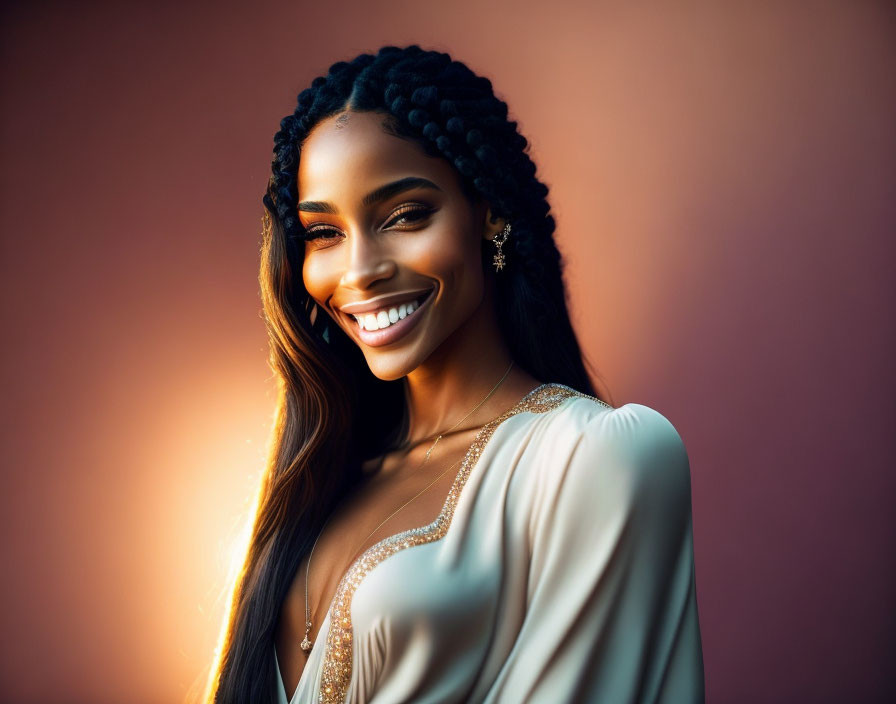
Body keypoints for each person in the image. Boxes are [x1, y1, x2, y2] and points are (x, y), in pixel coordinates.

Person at [206, 45, 704, 704]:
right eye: (324, 233)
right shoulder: (325, 474)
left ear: (490, 215)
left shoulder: (595, 459)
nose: (359, 272)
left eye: (405, 215)